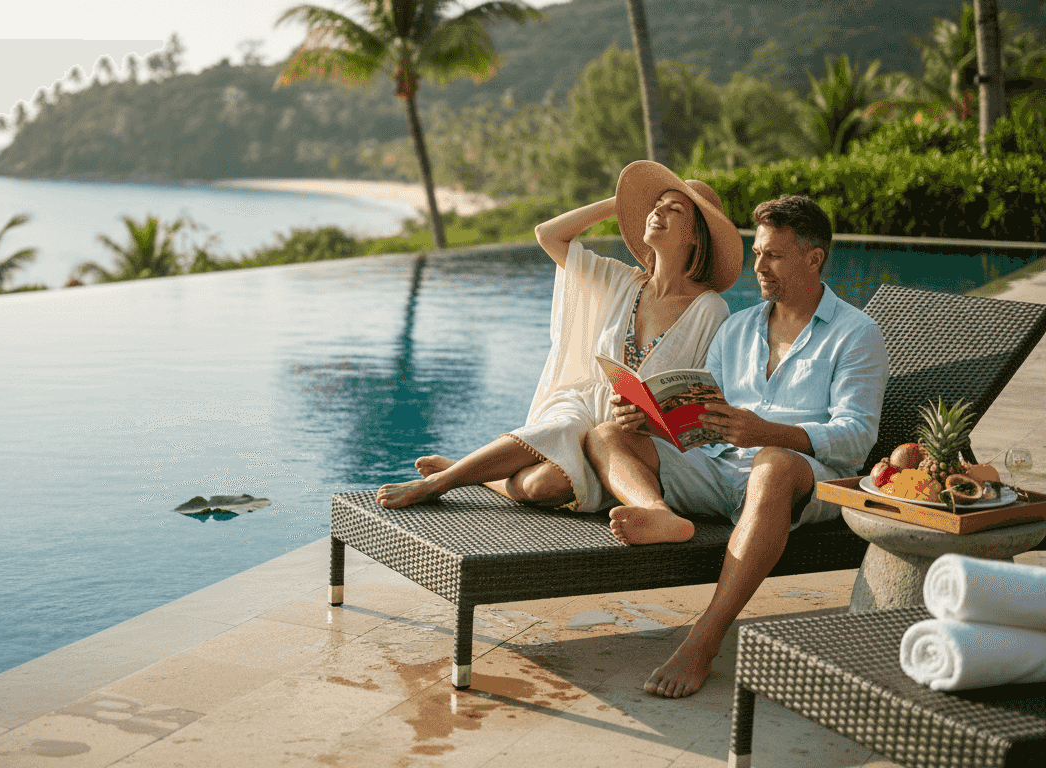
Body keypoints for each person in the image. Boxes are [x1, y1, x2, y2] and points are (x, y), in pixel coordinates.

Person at [584, 194, 889, 698]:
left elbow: (857, 437)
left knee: (772, 465)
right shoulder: (738, 327)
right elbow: (708, 422)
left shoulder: (856, 333)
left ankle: (705, 637)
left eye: (774, 255)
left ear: (814, 258)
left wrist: (769, 434)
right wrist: (654, 422)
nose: (759, 266)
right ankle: (659, 512)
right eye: (757, 253)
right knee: (608, 434)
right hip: (722, 467)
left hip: (801, 479)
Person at [375, 161, 743, 511]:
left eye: (673, 209)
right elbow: (548, 235)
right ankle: (441, 483)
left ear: (695, 235)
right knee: (565, 426)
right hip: (583, 404)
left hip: (633, 434)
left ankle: (477, 474)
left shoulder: (709, 310)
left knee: (542, 487)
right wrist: (621, 203)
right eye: (655, 205)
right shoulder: (621, 280)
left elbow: (697, 401)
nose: (656, 212)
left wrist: (648, 420)